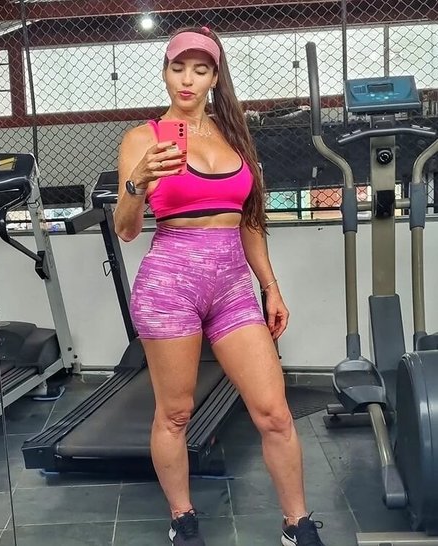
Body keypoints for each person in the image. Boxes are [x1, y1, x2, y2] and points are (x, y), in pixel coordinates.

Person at [114, 26, 327, 546]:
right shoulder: (142, 139)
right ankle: (182, 517)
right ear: (165, 73)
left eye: (200, 69)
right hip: (170, 286)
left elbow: (249, 221)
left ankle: (297, 524)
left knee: (274, 413)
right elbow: (126, 229)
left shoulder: (234, 135)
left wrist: (270, 286)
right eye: (178, 67)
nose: (187, 79)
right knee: (176, 413)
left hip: (232, 288)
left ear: (214, 78)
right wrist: (137, 182)